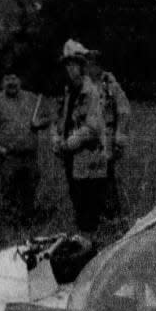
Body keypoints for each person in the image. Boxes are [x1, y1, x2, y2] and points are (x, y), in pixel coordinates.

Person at [0, 70, 50, 231]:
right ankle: (10, 227)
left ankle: (28, 223)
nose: (11, 82)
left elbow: (47, 118)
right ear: (2, 82)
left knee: (29, 190)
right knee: (9, 192)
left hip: (29, 156)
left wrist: (39, 123)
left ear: (20, 80)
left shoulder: (32, 99)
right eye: (7, 79)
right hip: (8, 157)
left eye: (14, 77)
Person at [52, 40, 107, 237]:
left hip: (88, 158)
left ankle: (90, 242)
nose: (70, 69)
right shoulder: (68, 92)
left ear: (82, 66)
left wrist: (71, 141)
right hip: (71, 158)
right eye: (67, 64)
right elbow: (60, 120)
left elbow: (93, 127)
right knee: (77, 200)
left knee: (88, 205)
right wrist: (56, 139)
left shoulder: (91, 91)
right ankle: (83, 239)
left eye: (73, 64)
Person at [85, 50, 130, 218]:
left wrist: (120, 137)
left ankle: (111, 214)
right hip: (86, 138)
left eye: (92, 64)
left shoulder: (111, 85)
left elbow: (124, 110)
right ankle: (92, 213)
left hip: (106, 136)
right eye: (87, 64)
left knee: (106, 175)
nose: (89, 68)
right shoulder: (83, 84)